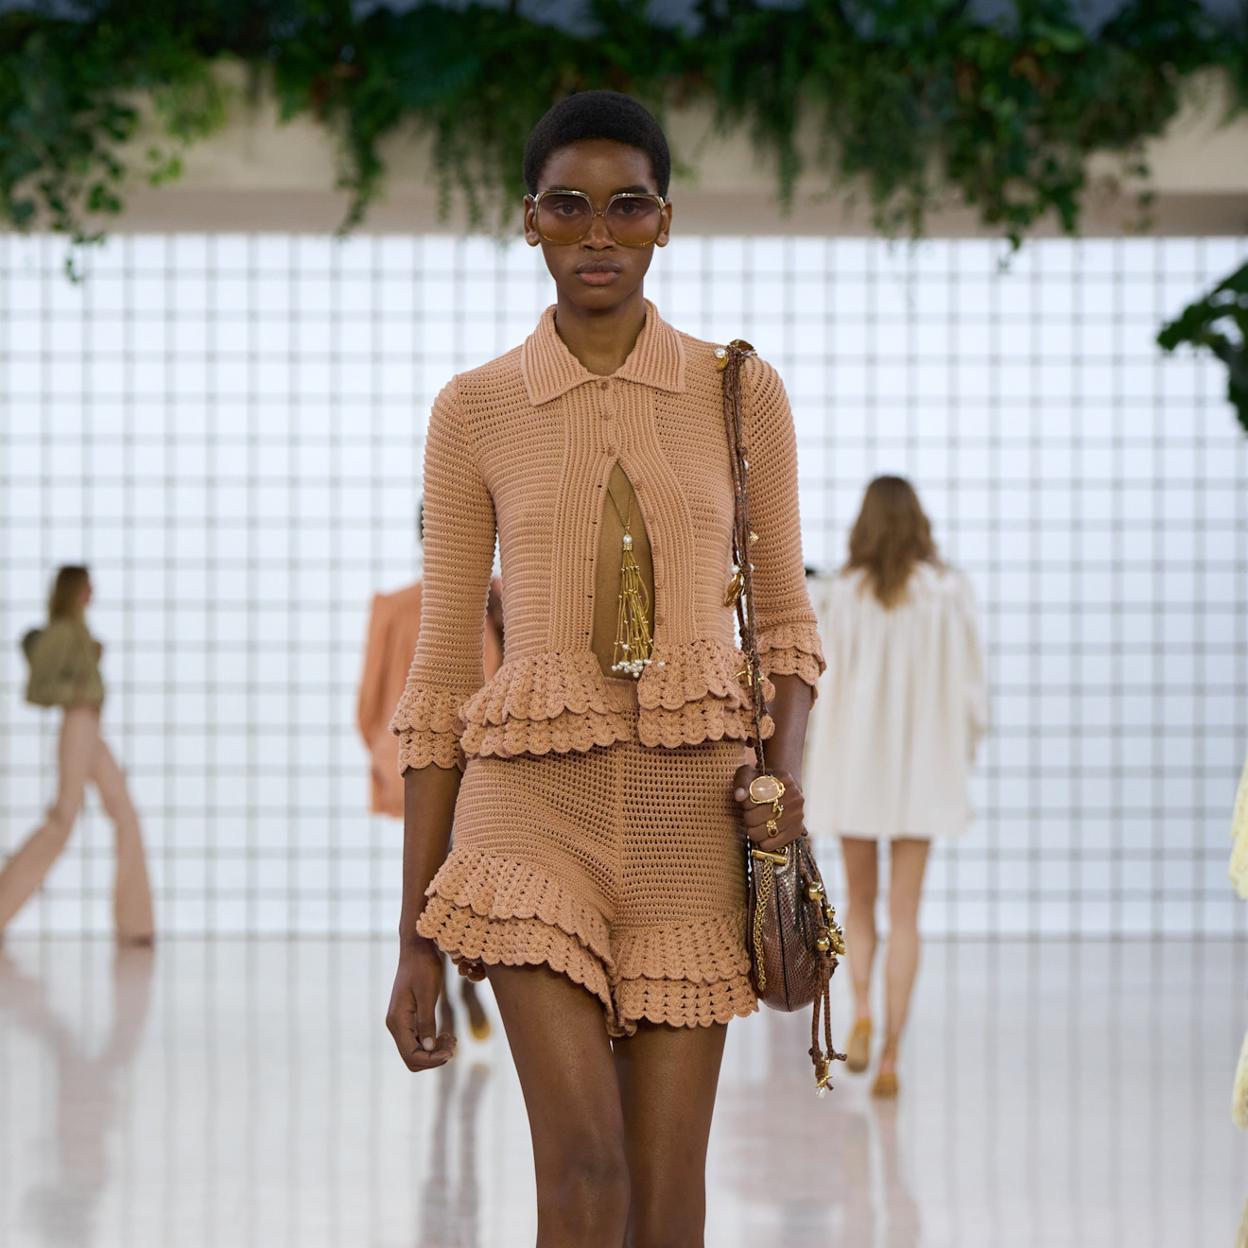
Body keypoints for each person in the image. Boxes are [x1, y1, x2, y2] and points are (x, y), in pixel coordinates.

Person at [384, 91, 824, 1247]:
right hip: (528, 820)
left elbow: (786, 628)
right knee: (585, 1171)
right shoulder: (474, 410)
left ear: (665, 221)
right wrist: (413, 937)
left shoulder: (740, 391)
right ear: (528, 219)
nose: (597, 233)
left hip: (695, 828)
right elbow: (441, 680)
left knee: (666, 1205)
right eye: (568, 206)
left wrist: (783, 804)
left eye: (627, 207)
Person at [804, 477, 988, 1098]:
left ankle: (860, 1008)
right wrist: (964, 749)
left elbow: (815, 686)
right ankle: (889, 1058)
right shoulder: (948, 594)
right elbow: (973, 695)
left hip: (853, 767)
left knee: (859, 904)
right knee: (906, 913)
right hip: (921, 772)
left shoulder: (837, 595)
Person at [357, 503, 502, 1042]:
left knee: (441, 868)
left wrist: (387, 752)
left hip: (426, 762)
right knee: (460, 867)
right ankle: (463, 978)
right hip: (485, 762)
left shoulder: (399, 609)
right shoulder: (503, 600)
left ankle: (451, 975)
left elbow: (370, 702)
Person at [0, 566, 154, 943]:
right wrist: (78, 690)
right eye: (86, 585)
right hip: (78, 725)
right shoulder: (62, 632)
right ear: (73, 590)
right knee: (62, 820)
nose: (92, 591)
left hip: (92, 728)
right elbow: (38, 689)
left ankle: (136, 924)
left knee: (126, 814)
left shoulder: (79, 632)